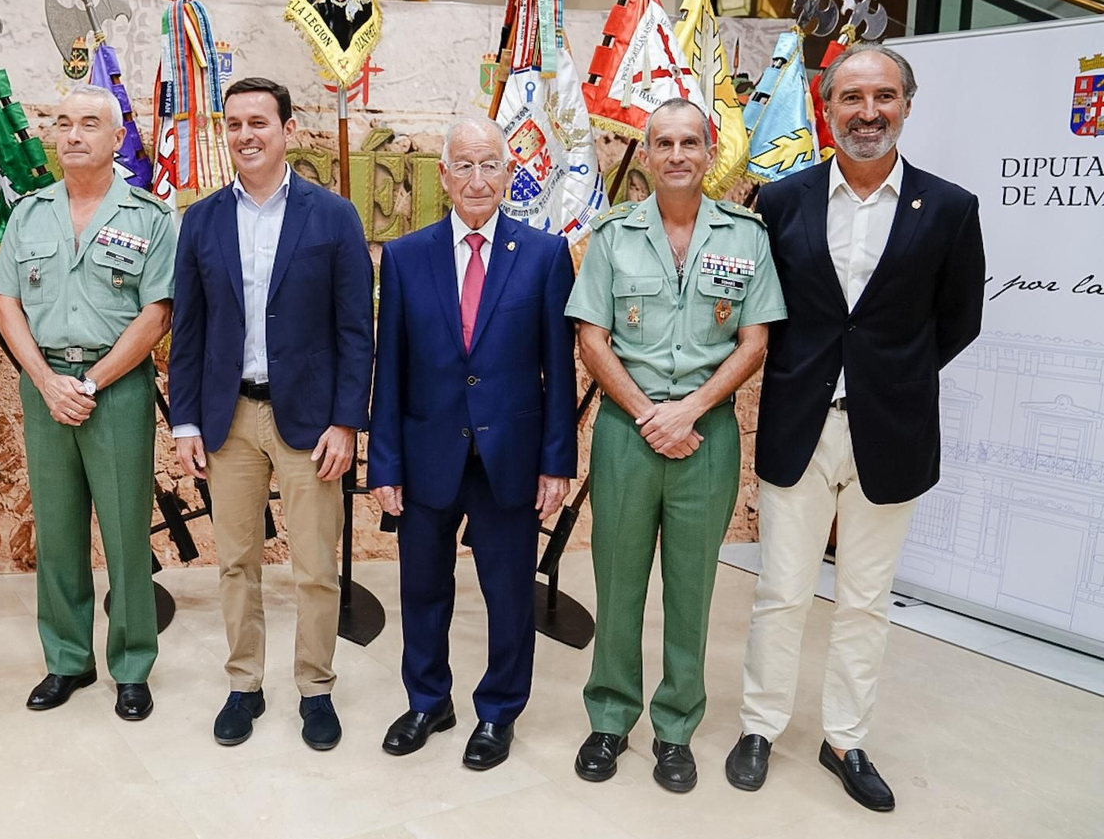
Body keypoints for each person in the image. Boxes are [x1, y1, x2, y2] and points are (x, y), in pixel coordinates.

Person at [726, 43, 984, 811]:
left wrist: (888, 378)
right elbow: (763, 309)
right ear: (827, 107)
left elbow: (959, 320)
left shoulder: (950, 208)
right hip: (798, 426)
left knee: (867, 599)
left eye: (884, 97)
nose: (868, 113)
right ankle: (760, 726)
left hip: (892, 431)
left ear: (906, 105)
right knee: (781, 591)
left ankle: (845, 740)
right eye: (852, 98)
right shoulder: (782, 201)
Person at [567, 98, 785, 794]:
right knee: (617, 581)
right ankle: (610, 717)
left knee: (692, 590)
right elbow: (592, 338)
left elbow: (755, 341)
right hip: (627, 436)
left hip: (707, 432)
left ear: (709, 151)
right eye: (663, 143)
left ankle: (675, 728)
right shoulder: (614, 234)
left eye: (690, 142)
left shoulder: (746, 236)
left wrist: (688, 410)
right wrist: (647, 414)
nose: (677, 155)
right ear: (648, 152)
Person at [168, 77, 374, 751]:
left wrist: (346, 421)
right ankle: (244, 684)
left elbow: (355, 330)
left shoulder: (332, 216)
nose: (245, 135)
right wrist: (186, 421)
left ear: (287, 129)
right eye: (233, 124)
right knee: (236, 562)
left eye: (258, 122)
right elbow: (189, 329)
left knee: (314, 565)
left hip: (311, 423)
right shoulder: (201, 219)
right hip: (228, 419)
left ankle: (315, 687)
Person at [368, 115, 575, 771]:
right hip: (427, 454)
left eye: (490, 165)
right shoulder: (406, 257)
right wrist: (385, 463)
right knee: (422, 589)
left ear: (508, 175)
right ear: (445, 175)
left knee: (508, 594)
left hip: (509, 460)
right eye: (465, 165)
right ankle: (429, 701)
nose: (478, 179)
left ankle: (498, 711)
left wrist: (556, 463)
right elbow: (389, 368)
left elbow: (559, 370)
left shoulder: (544, 256)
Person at [0, 84, 175, 722]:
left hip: (115, 389)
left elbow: (158, 313)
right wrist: (45, 380)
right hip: (45, 386)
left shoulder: (149, 216)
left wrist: (91, 382)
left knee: (125, 533)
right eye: (62, 122)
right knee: (58, 533)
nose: (71, 134)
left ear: (117, 138)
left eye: (89, 123)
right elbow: (5, 303)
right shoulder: (28, 213)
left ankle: (132, 665)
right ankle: (67, 659)